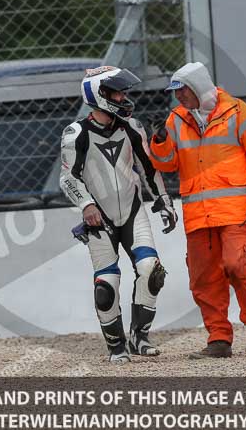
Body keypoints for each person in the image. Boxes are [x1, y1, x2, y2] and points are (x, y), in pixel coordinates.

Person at [148, 62, 246, 358]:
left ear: (198, 87)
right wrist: (159, 141)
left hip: (237, 210)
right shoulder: (176, 120)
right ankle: (219, 339)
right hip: (198, 215)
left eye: (182, 91)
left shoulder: (238, 111)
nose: (178, 97)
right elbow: (167, 164)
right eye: (176, 93)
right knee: (204, 279)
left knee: (236, 266)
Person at [60, 66, 178, 364]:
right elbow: (68, 178)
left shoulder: (132, 127)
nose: (124, 97)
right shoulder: (76, 133)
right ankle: (116, 346)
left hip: (134, 210)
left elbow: (148, 168)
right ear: (100, 96)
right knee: (107, 285)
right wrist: (86, 205)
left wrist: (164, 201)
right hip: (99, 218)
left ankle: (140, 336)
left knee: (152, 269)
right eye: (117, 92)